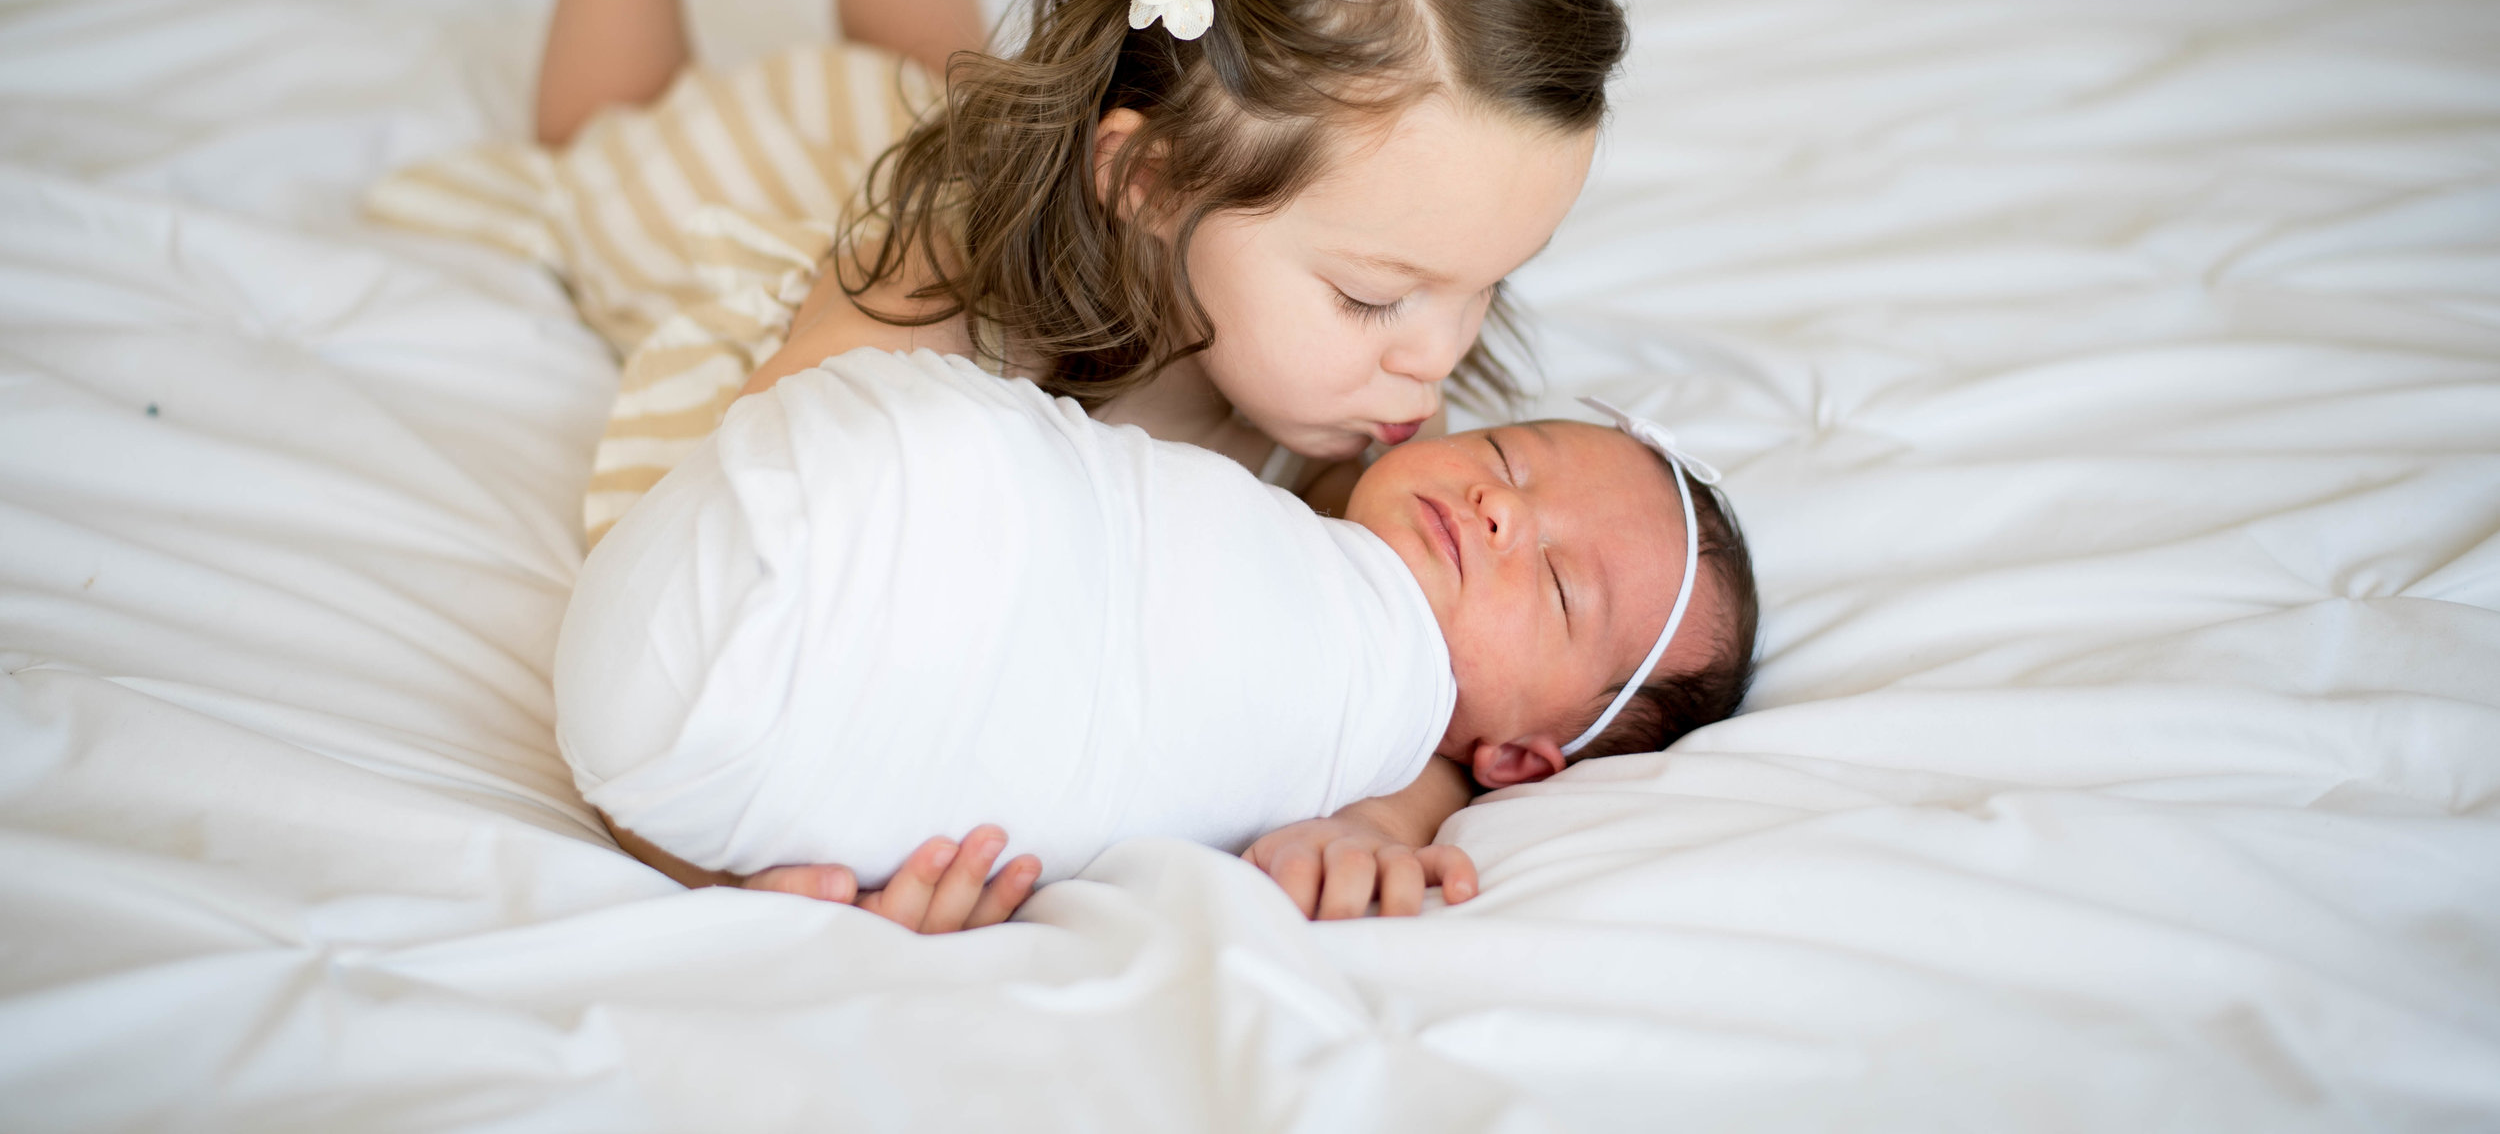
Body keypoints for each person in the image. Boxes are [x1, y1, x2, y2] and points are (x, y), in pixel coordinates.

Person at [383, 0, 1684, 930]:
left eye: (1487, 285)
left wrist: (1365, 819)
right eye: (1374, 295)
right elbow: (701, 619)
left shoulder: (1378, 420)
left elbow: (1439, 708)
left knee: (953, 79)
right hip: (800, 202)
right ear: (1151, 181)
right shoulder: (914, 307)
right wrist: (731, 867)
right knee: (615, 155)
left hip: (1011, 146)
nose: (1434, 362)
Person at [554, 348, 1757, 901]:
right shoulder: (1315, 429)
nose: (1501, 509)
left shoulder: (1394, 742)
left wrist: (1368, 837)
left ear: (1520, 758)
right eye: (1509, 458)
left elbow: (1404, 788)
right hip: (812, 425)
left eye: (1554, 586)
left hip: (753, 672)